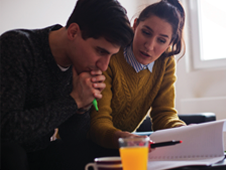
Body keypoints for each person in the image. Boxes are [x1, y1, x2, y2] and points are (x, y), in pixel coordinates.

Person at [0, 0, 134, 169]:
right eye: (101, 51)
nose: (104, 66)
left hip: (42, 153)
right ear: (73, 32)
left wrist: (82, 108)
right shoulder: (18, 46)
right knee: (12, 154)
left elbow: (74, 139)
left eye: (111, 55)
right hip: (10, 154)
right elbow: (7, 128)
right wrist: (73, 101)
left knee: (110, 153)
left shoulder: (80, 66)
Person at [88, 0, 187, 149]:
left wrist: (182, 130)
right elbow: (98, 122)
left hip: (126, 146)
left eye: (161, 40)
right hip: (86, 145)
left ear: (170, 43)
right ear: (135, 26)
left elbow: (164, 114)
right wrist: (124, 138)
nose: (149, 46)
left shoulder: (166, 61)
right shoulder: (111, 56)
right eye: (146, 33)